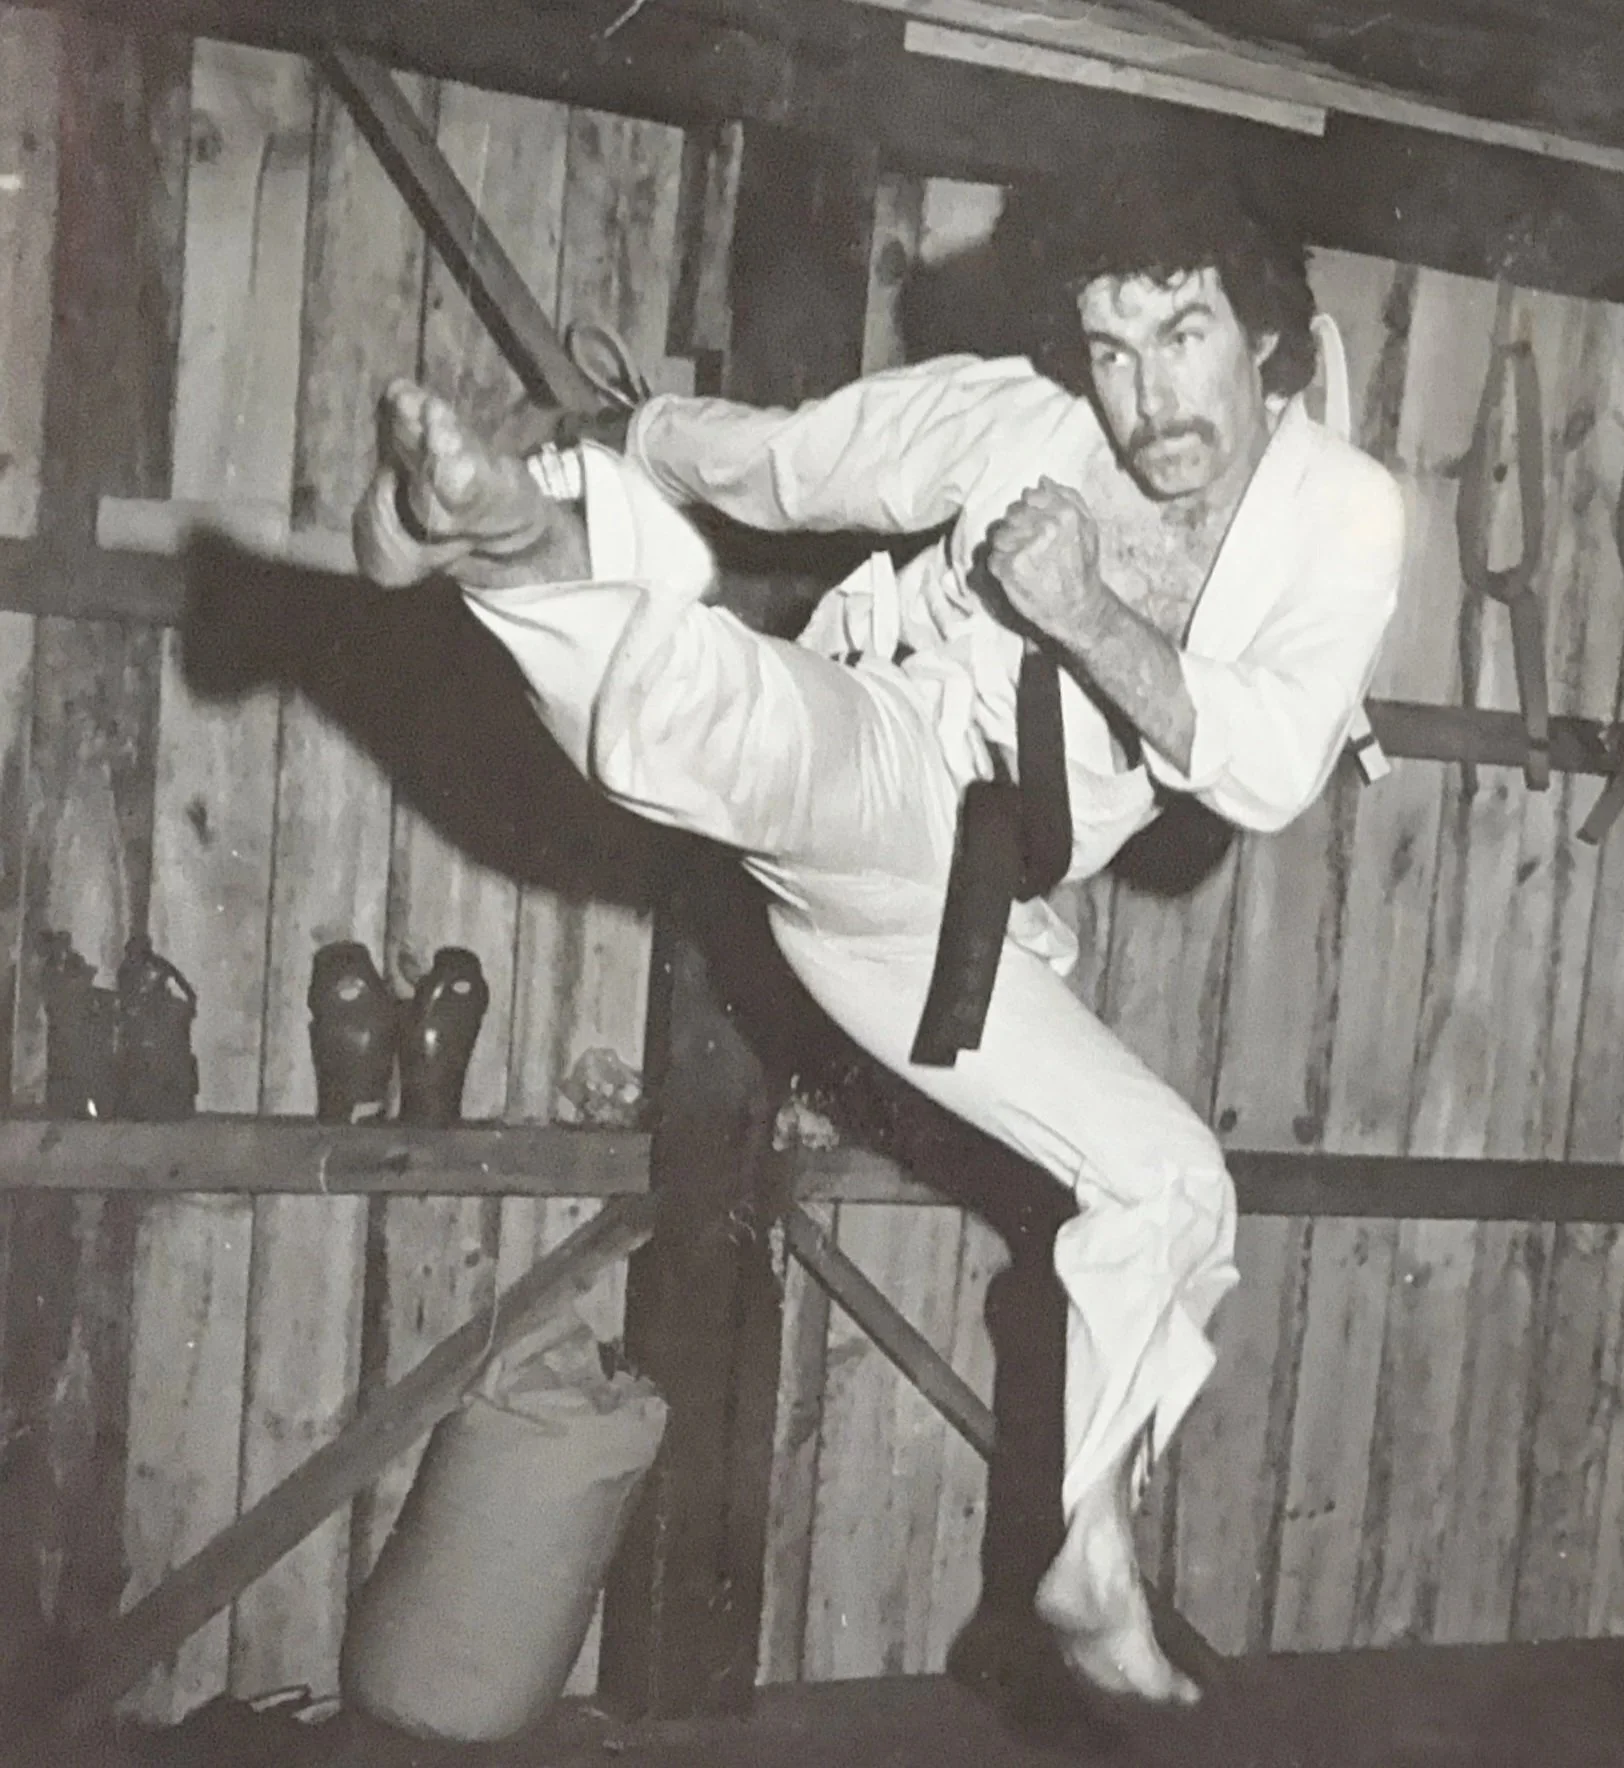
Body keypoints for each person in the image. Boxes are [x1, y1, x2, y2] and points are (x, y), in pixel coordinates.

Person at [351, 165, 1406, 1706]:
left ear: (1266, 336)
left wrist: (1087, 610)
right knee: (754, 737)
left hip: (971, 933)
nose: (1143, 396)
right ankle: (525, 555)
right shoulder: (1017, 422)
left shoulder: (1342, 513)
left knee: (1174, 1182)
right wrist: (632, 434)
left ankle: (1092, 1543)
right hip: (893, 762)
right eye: (1110, 350)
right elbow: (784, 466)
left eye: (1180, 336)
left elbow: (1261, 762)